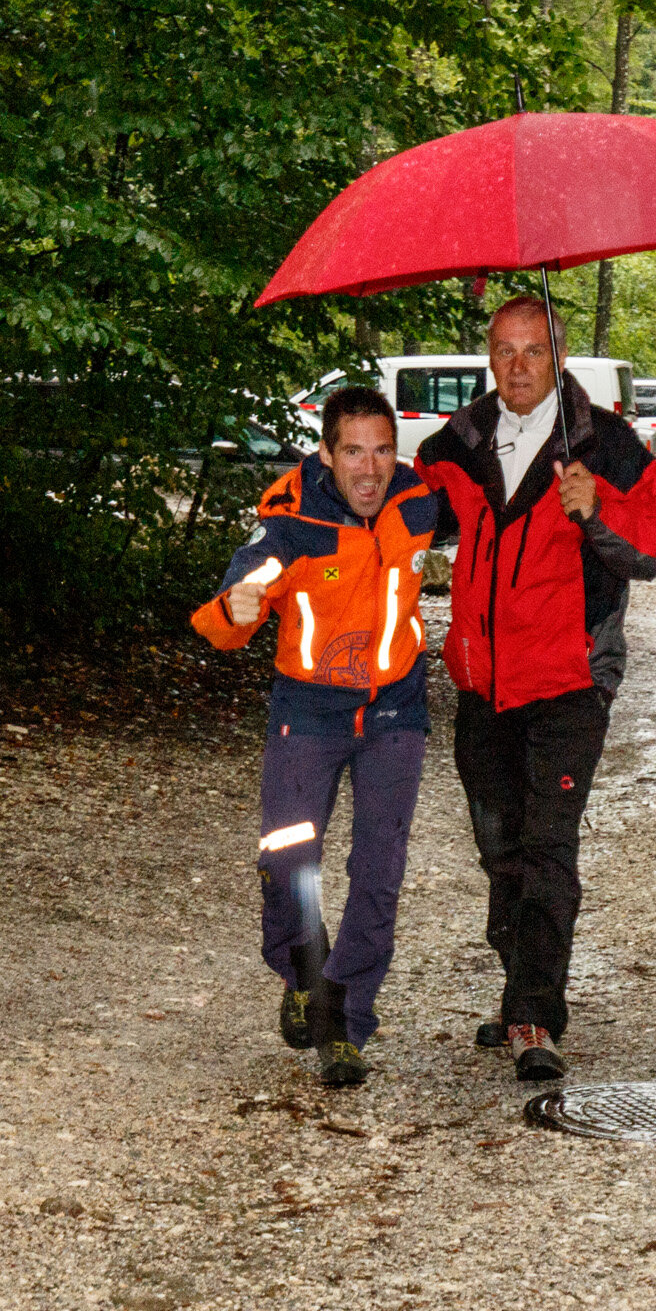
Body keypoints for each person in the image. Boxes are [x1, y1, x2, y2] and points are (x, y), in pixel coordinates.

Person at [415, 296, 656, 1080]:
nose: (519, 366)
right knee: (499, 850)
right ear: (488, 357)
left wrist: (598, 507)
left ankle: (536, 1014)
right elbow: (402, 513)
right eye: (504, 350)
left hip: (569, 682)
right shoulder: (459, 443)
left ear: (558, 355)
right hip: (483, 685)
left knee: (546, 847)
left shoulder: (607, 442)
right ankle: (517, 991)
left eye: (534, 351)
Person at [191, 385, 439, 1088]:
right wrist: (235, 608)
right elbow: (245, 587)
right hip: (310, 706)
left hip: (397, 707)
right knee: (289, 858)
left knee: (379, 870)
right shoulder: (292, 523)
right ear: (326, 452)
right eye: (353, 451)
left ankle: (345, 1020)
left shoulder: (420, 502)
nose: (370, 469)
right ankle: (301, 968)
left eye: (383, 450)